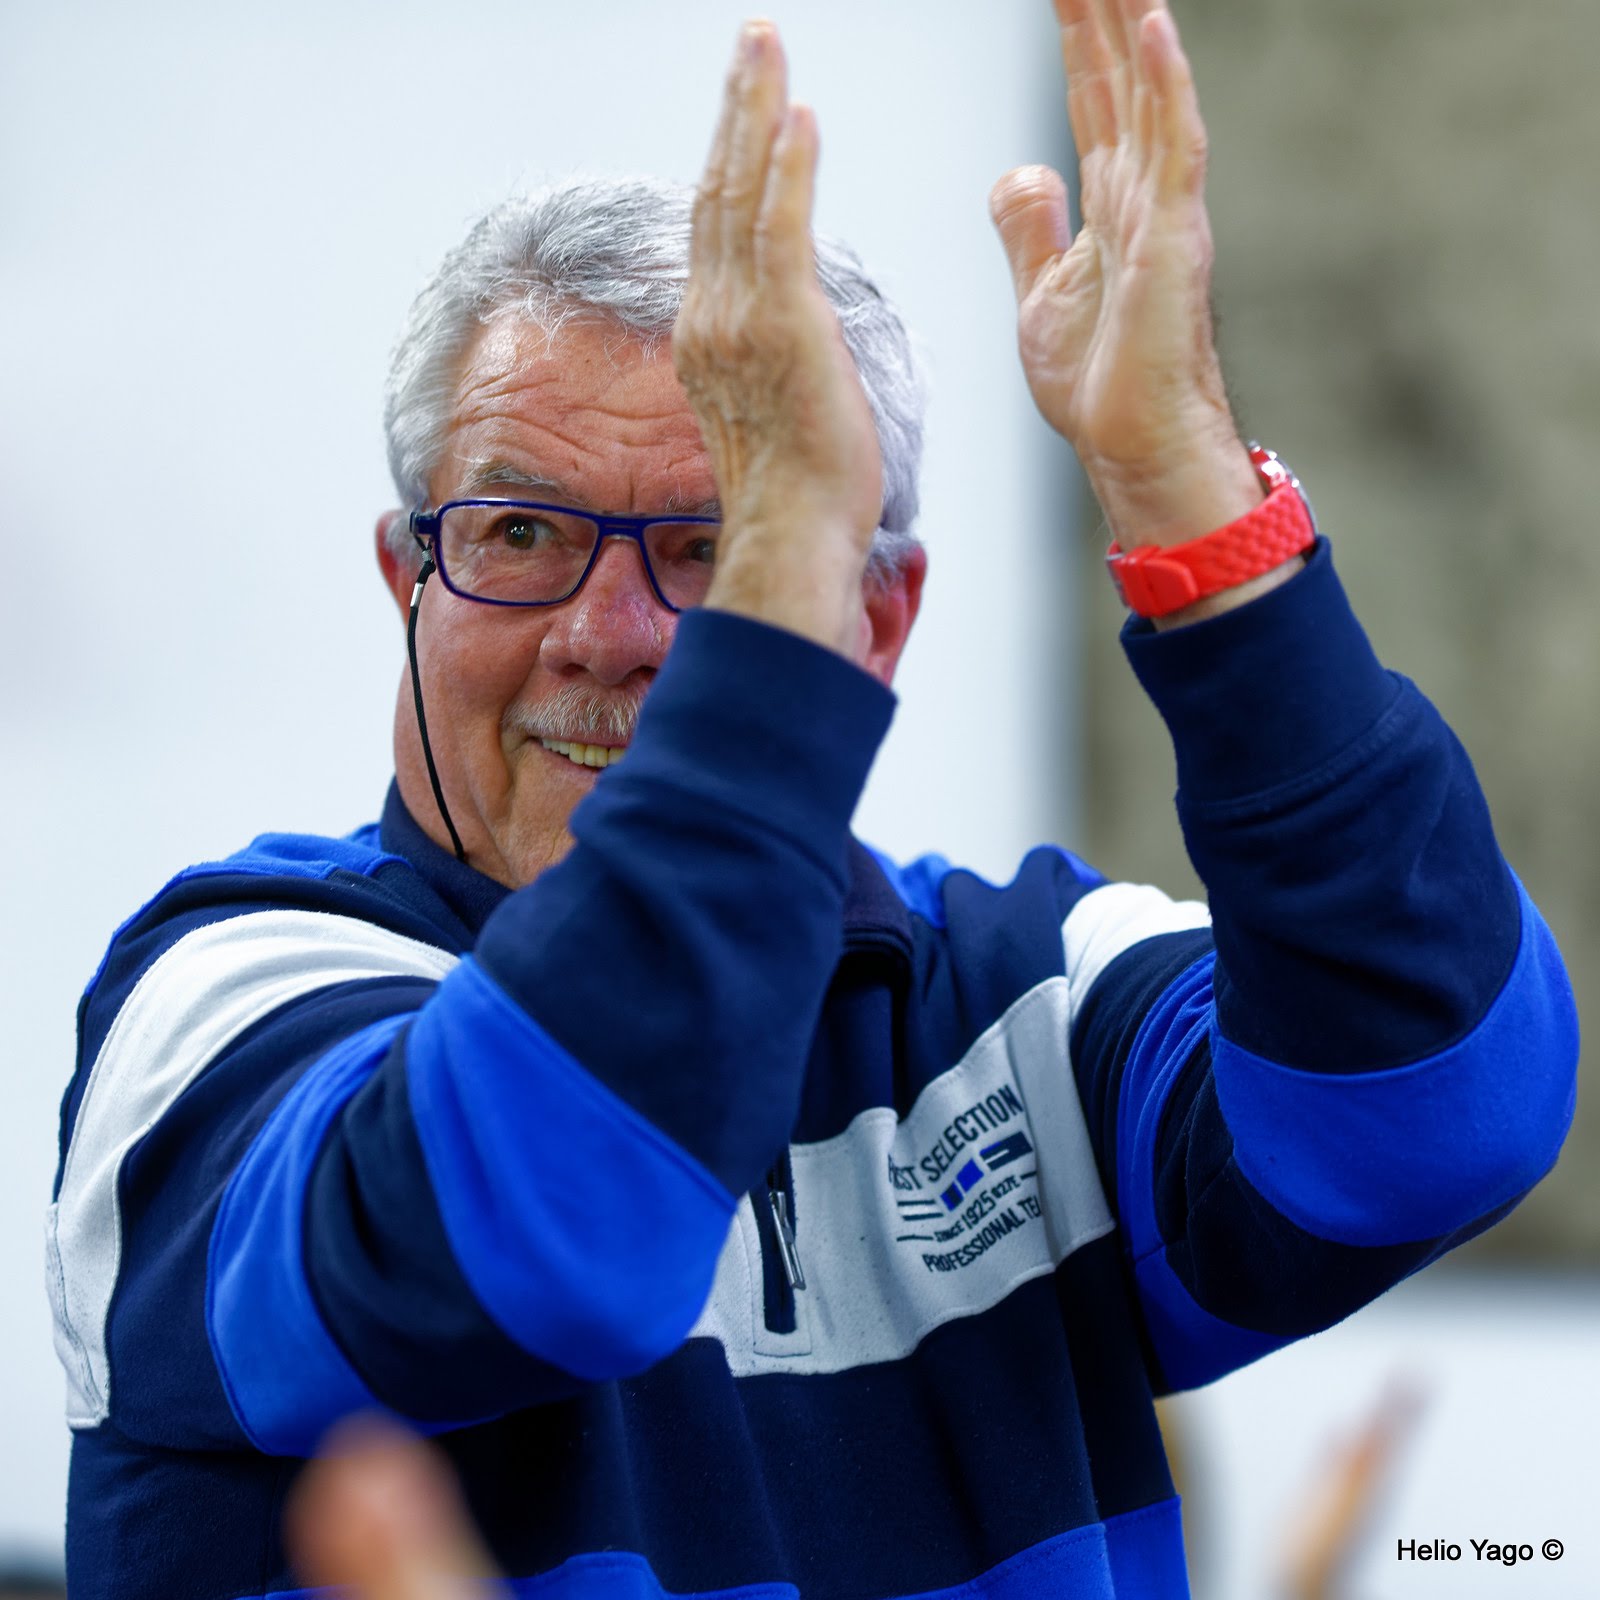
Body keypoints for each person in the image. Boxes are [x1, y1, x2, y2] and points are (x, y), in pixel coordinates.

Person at [47, 1, 1577, 1597]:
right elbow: (560, 1216)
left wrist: (1182, 486)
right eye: (516, 534)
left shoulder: (1013, 1008)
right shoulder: (227, 1007)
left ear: (881, 623)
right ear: (405, 582)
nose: (605, 634)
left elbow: (1443, 1112)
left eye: (714, 549)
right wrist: (785, 573)